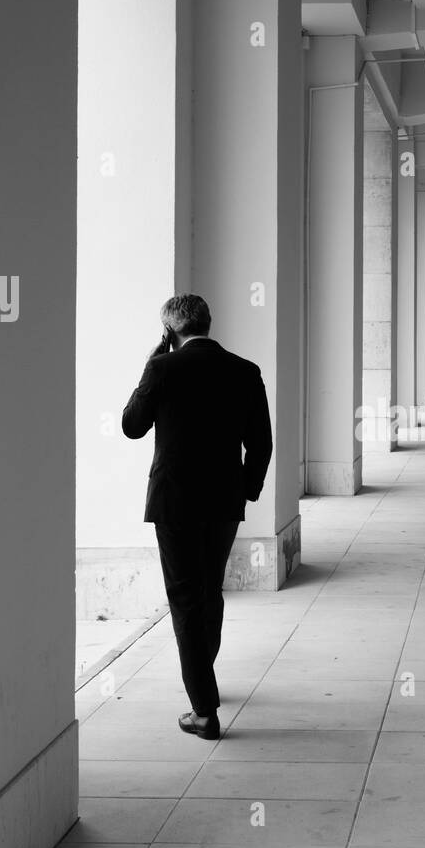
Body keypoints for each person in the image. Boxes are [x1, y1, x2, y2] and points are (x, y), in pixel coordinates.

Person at [122, 294, 273, 740]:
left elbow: (132, 425)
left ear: (169, 331)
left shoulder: (163, 369)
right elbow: (260, 443)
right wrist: (246, 491)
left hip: (174, 503)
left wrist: (152, 361)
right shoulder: (245, 371)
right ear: (208, 322)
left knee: (185, 600)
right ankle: (203, 678)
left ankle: (204, 712)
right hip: (224, 502)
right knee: (210, 591)